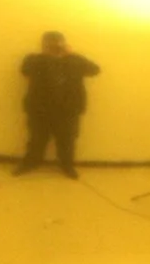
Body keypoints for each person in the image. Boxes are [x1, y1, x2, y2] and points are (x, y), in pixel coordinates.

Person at [13, 32, 100, 179]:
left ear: (64, 44)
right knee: (36, 139)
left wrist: (70, 55)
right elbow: (25, 70)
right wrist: (46, 55)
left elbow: (95, 70)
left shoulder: (74, 60)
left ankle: (67, 166)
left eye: (57, 43)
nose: (54, 46)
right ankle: (31, 163)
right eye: (49, 43)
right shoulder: (35, 59)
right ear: (43, 44)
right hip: (39, 108)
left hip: (69, 109)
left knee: (68, 140)